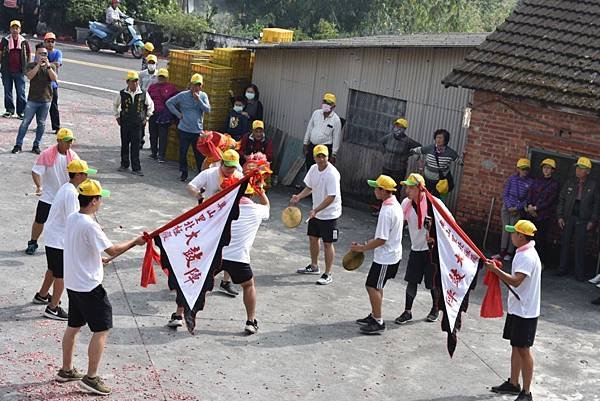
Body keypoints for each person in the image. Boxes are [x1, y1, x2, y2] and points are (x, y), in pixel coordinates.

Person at [57, 178, 145, 396]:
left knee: (74, 326)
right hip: (89, 287)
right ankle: (91, 378)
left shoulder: (73, 218)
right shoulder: (90, 225)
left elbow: (81, 247)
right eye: (100, 199)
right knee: (101, 330)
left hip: (74, 283)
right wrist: (135, 241)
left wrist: (97, 259)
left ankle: (66, 370)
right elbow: (113, 250)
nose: (101, 202)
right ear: (94, 201)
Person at [484, 220, 541, 401]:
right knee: (516, 346)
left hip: (525, 312)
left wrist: (495, 271)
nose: (511, 235)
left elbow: (516, 281)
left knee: (524, 349)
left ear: (521, 236)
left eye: (513, 233)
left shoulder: (527, 256)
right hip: (519, 308)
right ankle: (514, 383)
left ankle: (526, 392)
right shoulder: (524, 252)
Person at [34, 159, 96, 320]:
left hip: (52, 236)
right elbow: (74, 219)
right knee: (61, 275)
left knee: (52, 269)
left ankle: (42, 295)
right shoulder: (71, 193)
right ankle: (53, 307)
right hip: (59, 240)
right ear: (78, 175)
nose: (87, 177)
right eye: (85, 174)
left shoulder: (66, 188)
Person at [183, 148, 243, 301]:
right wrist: (199, 195)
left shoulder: (239, 176)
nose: (230, 170)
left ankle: (225, 281)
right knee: (202, 248)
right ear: (221, 163)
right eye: (227, 166)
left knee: (227, 248)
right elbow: (190, 186)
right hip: (207, 218)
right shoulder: (209, 174)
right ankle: (196, 279)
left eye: (233, 167)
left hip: (227, 218)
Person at [215, 185, 270, 334]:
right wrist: (262, 192)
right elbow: (267, 206)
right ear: (252, 196)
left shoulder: (223, 208)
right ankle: (250, 321)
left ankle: (178, 315)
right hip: (239, 258)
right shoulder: (257, 210)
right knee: (248, 285)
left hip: (217, 255)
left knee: (197, 284)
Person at [352, 175, 403, 334]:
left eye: (376, 188)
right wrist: (368, 243)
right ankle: (375, 315)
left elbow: (382, 239)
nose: (374, 191)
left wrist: (362, 248)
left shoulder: (386, 211)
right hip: (391, 254)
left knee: (371, 286)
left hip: (386, 257)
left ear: (382, 191)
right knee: (377, 285)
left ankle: (378, 320)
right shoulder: (395, 205)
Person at [291, 144, 342, 285]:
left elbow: (331, 197)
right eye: (318, 156)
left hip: (330, 214)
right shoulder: (313, 169)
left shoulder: (332, 174)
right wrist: (299, 197)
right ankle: (314, 266)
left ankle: (328, 273)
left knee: (327, 243)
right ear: (314, 158)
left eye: (323, 156)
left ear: (328, 157)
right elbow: (310, 187)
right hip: (316, 212)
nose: (321, 159)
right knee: (313, 239)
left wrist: (316, 210)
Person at [24, 128, 78, 257]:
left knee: (70, 221)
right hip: (49, 196)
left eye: (71, 141)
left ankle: (70, 245)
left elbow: (79, 175)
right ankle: (33, 242)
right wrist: (39, 187)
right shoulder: (47, 154)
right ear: (59, 141)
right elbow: (36, 171)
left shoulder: (74, 157)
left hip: (66, 196)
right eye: (66, 141)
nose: (69, 144)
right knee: (40, 220)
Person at [556, 157, 599, 281]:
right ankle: (562, 268)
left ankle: (578, 273)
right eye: (577, 168)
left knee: (580, 246)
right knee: (565, 243)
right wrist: (559, 216)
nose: (578, 170)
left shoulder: (593, 185)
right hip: (569, 217)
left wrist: (592, 220)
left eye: (581, 168)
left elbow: (596, 204)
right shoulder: (570, 182)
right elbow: (561, 199)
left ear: (588, 171)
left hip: (583, 219)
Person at [11, 43, 56, 154]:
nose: (43, 56)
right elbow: (30, 76)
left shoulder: (51, 66)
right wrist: (38, 65)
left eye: (45, 53)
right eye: (40, 53)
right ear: (36, 54)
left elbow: (54, 78)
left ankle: (36, 145)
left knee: (41, 124)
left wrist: (48, 66)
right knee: (25, 123)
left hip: (46, 100)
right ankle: (18, 144)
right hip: (33, 100)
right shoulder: (31, 65)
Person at [166, 73, 210, 182]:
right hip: (184, 129)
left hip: (197, 131)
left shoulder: (203, 96)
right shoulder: (183, 95)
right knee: (183, 152)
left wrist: (199, 100)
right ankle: (183, 172)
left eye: (198, 85)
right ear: (190, 85)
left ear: (201, 86)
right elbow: (169, 103)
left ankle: (201, 174)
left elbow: (207, 110)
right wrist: (177, 114)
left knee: (199, 154)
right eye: (194, 85)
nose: (196, 87)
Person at [113, 70, 154, 176]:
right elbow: (115, 105)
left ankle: (136, 168)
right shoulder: (122, 93)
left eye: (136, 81)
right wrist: (117, 116)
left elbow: (150, 106)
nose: (134, 83)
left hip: (137, 124)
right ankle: (124, 164)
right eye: (132, 81)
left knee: (135, 146)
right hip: (125, 122)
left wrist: (147, 117)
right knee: (125, 144)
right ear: (127, 82)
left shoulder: (143, 93)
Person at [493, 158, 533, 262]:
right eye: (522, 169)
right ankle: (502, 251)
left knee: (514, 230)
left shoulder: (530, 182)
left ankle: (510, 252)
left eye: (526, 169)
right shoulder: (512, 179)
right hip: (507, 207)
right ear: (518, 169)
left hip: (518, 209)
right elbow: (505, 194)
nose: (524, 171)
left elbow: (528, 199)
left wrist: (517, 207)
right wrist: (509, 206)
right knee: (505, 229)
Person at [524, 158, 559, 267]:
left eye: (548, 168)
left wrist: (536, 208)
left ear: (553, 170)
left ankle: (540, 262)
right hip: (531, 214)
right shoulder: (536, 181)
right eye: (544, 168)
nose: (546, 170)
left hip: (543, 216)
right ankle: (527, 261)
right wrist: (530, 206)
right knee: (529, 238)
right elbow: (530, 193)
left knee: (541, 239)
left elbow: (550, 200)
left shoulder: (554, 184)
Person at [410, 129, 459, 199]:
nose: (438, 140)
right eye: (437, 137)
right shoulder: (429, 148)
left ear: (445, 140)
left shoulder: (451, 153)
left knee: (437, 202)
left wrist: (465, 155)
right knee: (424, 199)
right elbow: (414, 151)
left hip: (440, 183)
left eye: (440, 138)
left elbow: (461, 162)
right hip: (427, 181)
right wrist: (420, 163)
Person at [1, 19, 31, 119]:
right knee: (7, 91)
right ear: (10, 29)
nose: (15, 30)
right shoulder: (5, 40)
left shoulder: (24, 41)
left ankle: (21, 111)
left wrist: (28, 67)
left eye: (16, 28)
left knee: (21, 92)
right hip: (7, 70)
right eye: (13, 28)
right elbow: (0, 53)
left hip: (19, 71)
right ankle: (9, 110)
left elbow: (28, 54)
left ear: (20, 29)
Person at [147, 68, 178, 162]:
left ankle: (161, 155)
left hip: (164, 116)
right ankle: (153, 152)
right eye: (160, 77)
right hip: (153, 113)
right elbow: (147, 100)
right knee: (153, 133)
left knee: (163, 135)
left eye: (163, 77)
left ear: (167, 78)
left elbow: (176, 100)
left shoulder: (171, 88)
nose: (161, 79)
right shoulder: (152, 87)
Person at [303, 93, 342, 168]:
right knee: (310, 168)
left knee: (321, 170)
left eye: (329, 103)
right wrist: (305, 143)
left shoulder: (336, 120)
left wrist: (334, 154)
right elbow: (309, 128)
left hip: (324, 150)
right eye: (325, 102)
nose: (326, 105)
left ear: (333, 106)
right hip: (312, 147)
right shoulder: (316, 113)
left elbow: (336, 138)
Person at [379, 118, 421, 187]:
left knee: (396, 189)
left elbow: (419, 147)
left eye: (401, 127)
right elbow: (381, 142)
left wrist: (409, 154)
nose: (398, 128)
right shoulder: (389, 137)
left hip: (399, 170)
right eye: (396, 126)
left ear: (404, 129)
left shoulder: (407, 141)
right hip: (386, 168)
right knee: (384, 187)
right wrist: (384, 153)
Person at [139, 54, 159, 149]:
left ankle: (153, 144)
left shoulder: (159, 75)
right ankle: (140, 141)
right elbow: (139, 86)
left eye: (153, 63)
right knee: (141, 122)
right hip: (143, 100)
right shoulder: (142, 74)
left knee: (153, 123)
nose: (151, 64)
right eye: (149, 62)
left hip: (154, 101)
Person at [44, 31, 62, 134]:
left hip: (52, 84)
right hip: (42, 84)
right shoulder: (41, 51)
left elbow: (57, 64)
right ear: (45, 42)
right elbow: (37, 63)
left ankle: (56, 126)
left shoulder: (58, 52)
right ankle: (40, 124)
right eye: (48, 41)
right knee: (40, 106)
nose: (50, 43)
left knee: (54, 106)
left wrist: (47, 63)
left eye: (52, 41)